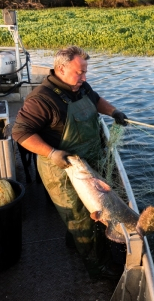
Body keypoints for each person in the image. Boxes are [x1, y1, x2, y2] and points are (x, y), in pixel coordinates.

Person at [12, 45, 128, 279]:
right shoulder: (41, 100)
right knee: (82, 218)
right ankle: (99, 268)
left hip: (88, 162)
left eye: (85, 72)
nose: (84, 78)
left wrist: (113, 111)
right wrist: (52, 152)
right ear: (61, 69)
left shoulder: (80, 87)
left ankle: (74, 242)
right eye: (79, 73)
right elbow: (20, 133)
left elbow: (95, 100)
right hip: (62, 169)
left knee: (91, 212)